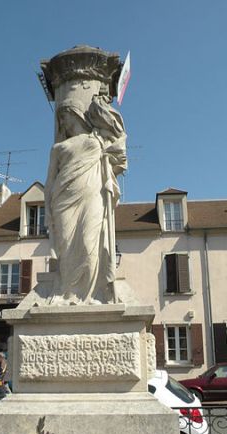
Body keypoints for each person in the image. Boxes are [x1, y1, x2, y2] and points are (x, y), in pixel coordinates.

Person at [44, 95, 127, 305]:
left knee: (90, 245)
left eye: (66, 116)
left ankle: (88, 295)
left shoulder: (97, 138)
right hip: (62, 201)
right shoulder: (57, 149)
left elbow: (119, 136)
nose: (63, 123)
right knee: (66, 247)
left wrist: (100, 102)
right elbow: (49, 182)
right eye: (60, 119)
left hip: (93, 198)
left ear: (77, 115)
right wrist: (47, 209)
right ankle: (67, 293)